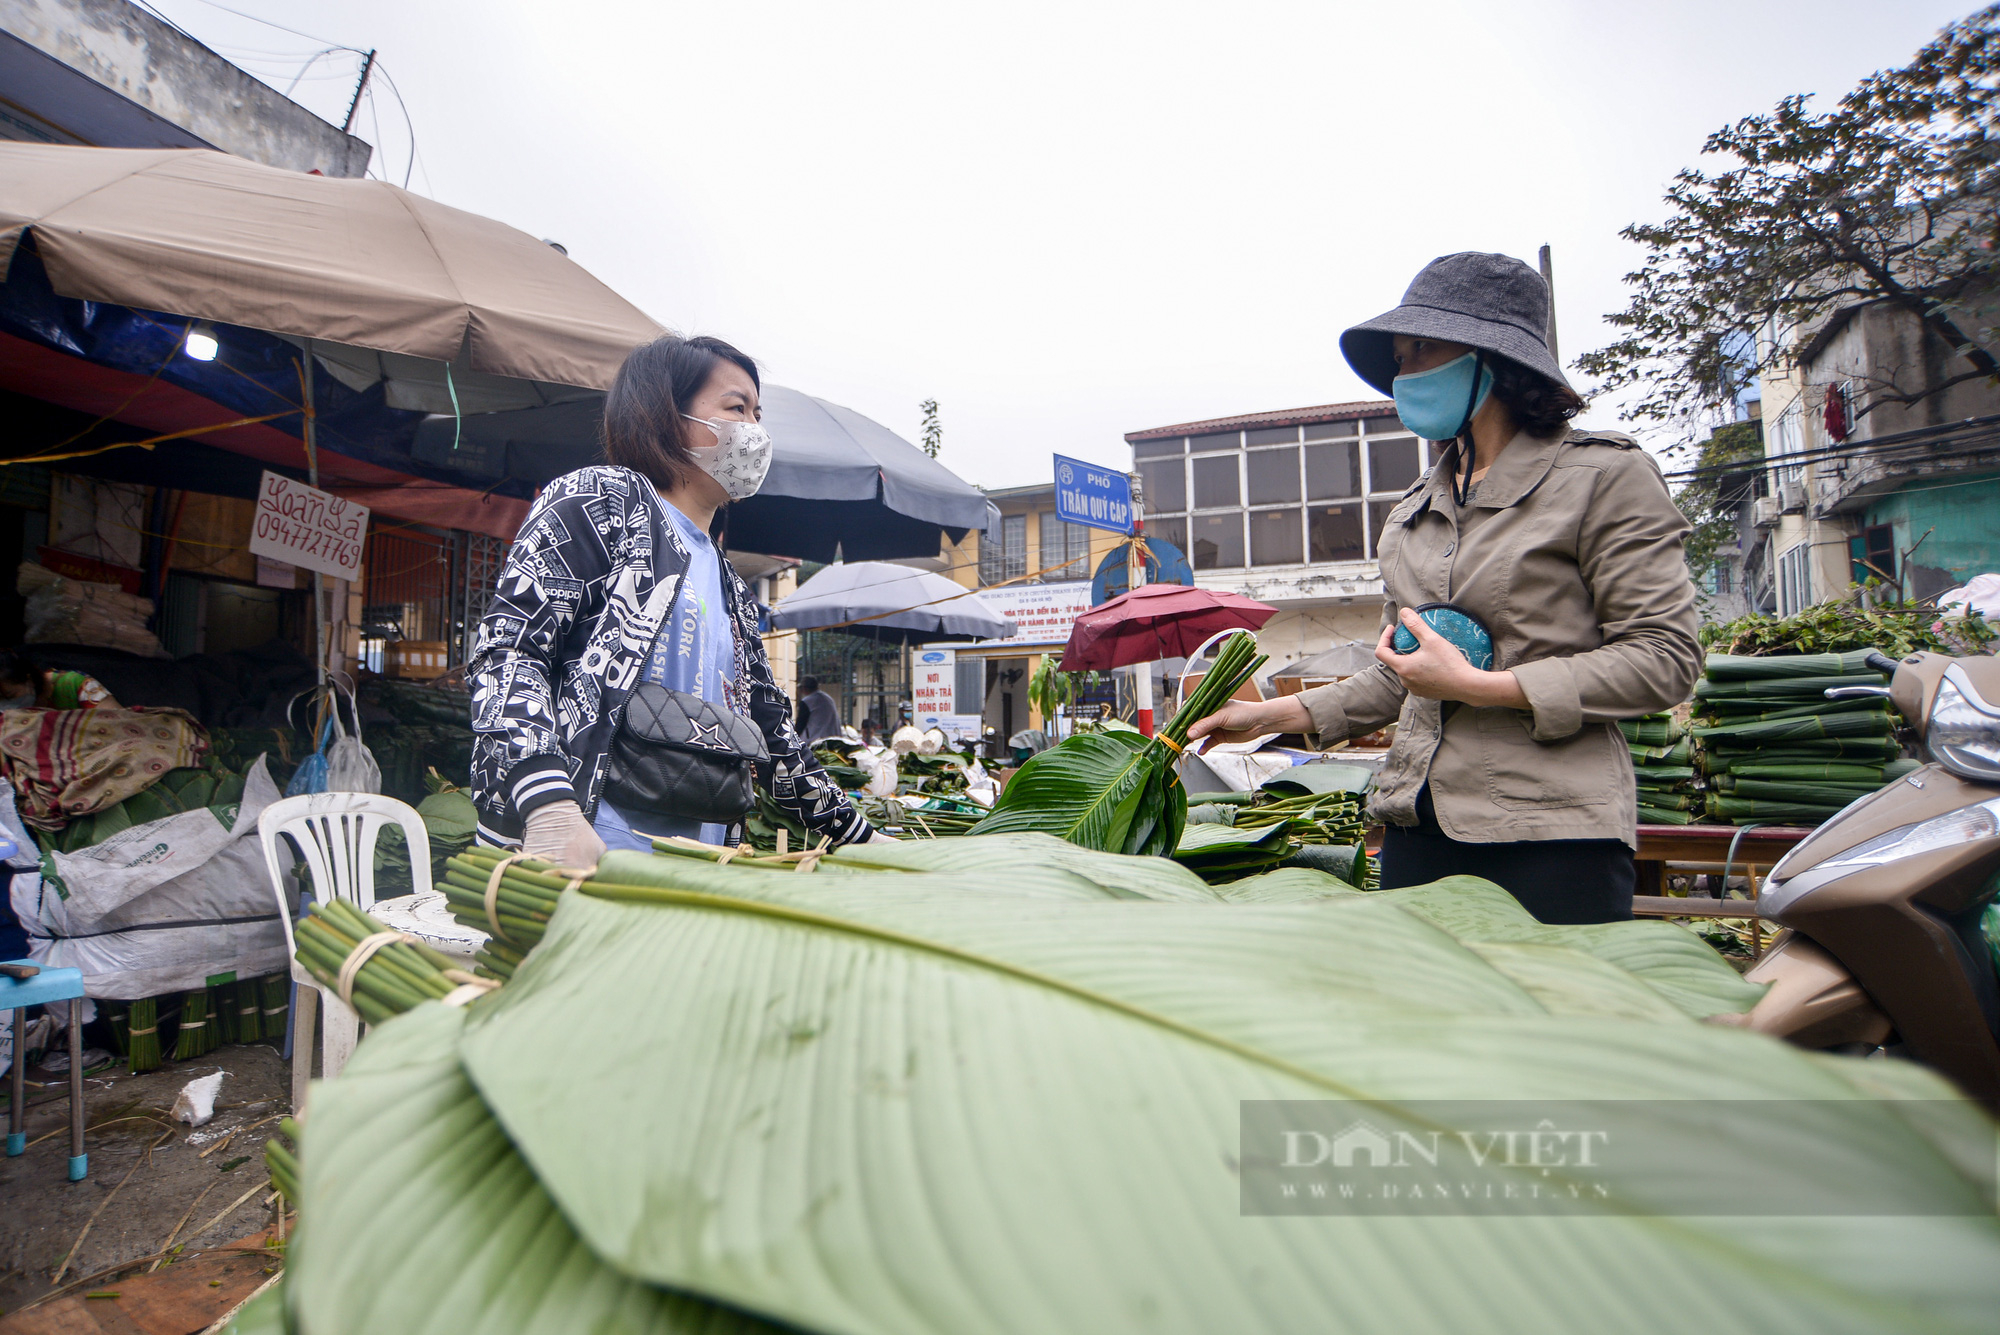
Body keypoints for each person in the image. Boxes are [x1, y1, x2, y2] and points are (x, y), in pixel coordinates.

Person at [1189, 252, 1701, 924]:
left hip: (1550, 834)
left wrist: (1481, 688)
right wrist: (1268, 719)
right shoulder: (1412, 512)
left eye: (1422, 349)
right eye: (1399, 358)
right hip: (1416, 823)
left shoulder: (1603, 478)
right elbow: (1398, 674)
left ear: (1494, 358)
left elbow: (1665, 657)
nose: (1404, 375)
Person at [467, 334, 885, 861]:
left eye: (759, 413)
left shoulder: (728, 581)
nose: (754, 431)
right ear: (667, 414)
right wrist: (548, 805)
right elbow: (508, 652)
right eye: (737, 408)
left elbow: (773, 732)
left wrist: (865, 838)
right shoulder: (602, 502)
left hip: (693, 865)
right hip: (579, 851)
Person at [0, 650, 117, 711]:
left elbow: (120, 722)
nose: (8, 707)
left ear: (28, 679)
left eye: (12, 695)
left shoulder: (74, 684)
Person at [795, 675, 841, 744]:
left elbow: (800, 725)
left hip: (816, 741)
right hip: (834, 739)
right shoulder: (828, 698)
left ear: (804, 688)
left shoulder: (807, 701)